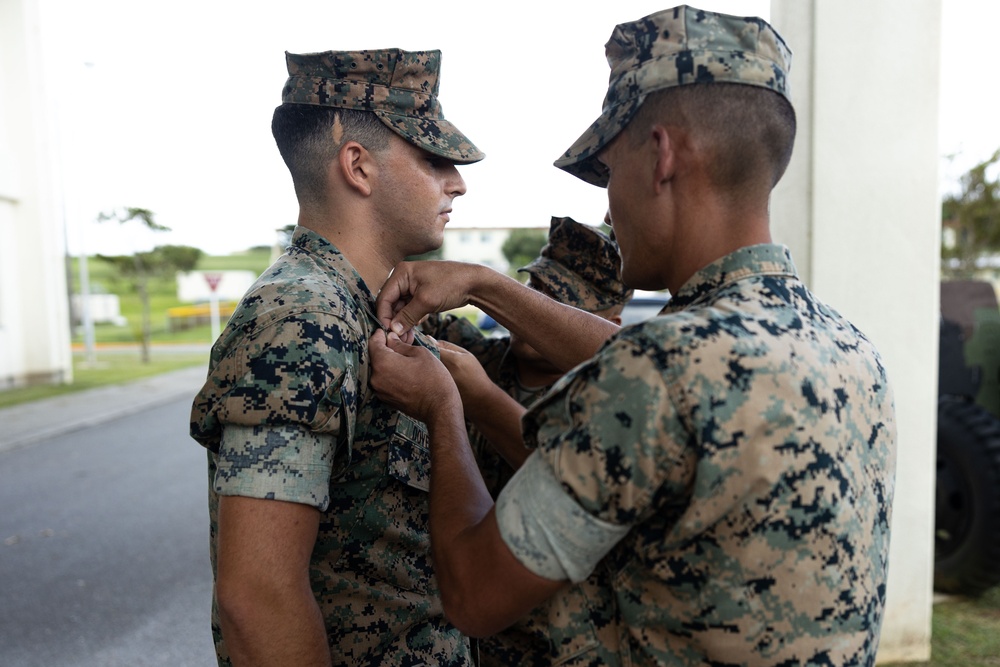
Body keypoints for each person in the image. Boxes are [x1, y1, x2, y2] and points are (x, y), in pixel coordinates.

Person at [367, 6, 897, 667]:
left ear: (662, 155)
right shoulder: (849, 349)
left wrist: (445, 406)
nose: (611, 204)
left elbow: (474, 593)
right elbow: (674, 369)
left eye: (610, 173)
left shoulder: (661, 368)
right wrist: (485, 284)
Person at [188, 47, 482, 666]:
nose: (456, 180)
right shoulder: (300, 318)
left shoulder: (372, 305)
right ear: (358, 166)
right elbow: (259, 596)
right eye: (434, 159)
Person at [423, 214, 633, 665]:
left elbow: (574, 478)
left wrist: (481, 400)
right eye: (532, 291)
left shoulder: (617, 401)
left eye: (558, 300)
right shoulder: (476, 355)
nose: (534, 307)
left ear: (609, 323)